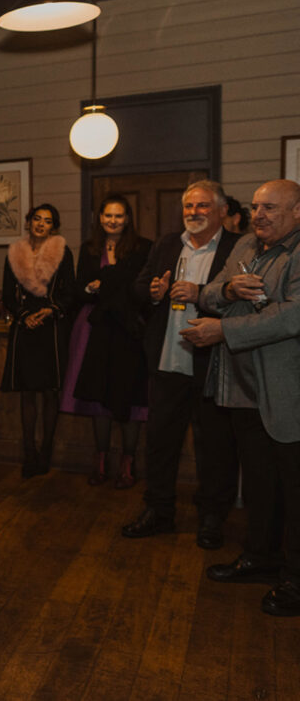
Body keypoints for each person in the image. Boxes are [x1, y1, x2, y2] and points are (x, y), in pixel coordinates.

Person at [186, 178, 300, 617]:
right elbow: (209, 292)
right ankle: (260, 557)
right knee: (259, 485)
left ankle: (296, 580)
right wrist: (231, 291)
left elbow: (292, 315)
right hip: (242, 389)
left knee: (294, 490)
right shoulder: (246, 245)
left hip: (286, 390)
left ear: (296, 212)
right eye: (255, 207)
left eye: (270, 208)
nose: (259, 215)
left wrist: (225, 330)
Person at [121, 181, 240, 547]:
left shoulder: (239, 247)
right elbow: (139, 287)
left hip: (213, 365)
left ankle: (212, 518)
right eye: (189, 206)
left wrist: (199, 294)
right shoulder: (167, 244)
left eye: (203, 206)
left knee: (215, 447)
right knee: (160, 443)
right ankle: (158, 510)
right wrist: (153, 293)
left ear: (222, 211)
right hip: (168, 360)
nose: (194, 212)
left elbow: (245, 301)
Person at [60, 194, 152, 488]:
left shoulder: (143, 247)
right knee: (97, 395)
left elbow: (137, 287)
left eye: (118, 216)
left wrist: (107, 282)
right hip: (94, 327)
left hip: (128, 330)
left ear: (128, 219)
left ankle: (128, 462)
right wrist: (91, 288)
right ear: (99, 218)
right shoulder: (90, 248)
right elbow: (79, 289)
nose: (113, 221)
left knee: (130, 395)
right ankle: (100, 461)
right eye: (108, 215)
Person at [0, 203, 76, 478]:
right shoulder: (15, 252)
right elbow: (7, 294)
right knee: (28, 392)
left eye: (47, 220)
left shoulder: (63, 251)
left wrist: (51, 310)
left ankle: (46, 451)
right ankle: (29, 452)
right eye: (37, 219)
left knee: (50, 392)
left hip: (51, 328)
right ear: (29, 222)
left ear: (53, 227)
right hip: (25, 326)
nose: (41, 224)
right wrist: (23, 315)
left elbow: (71, 292)